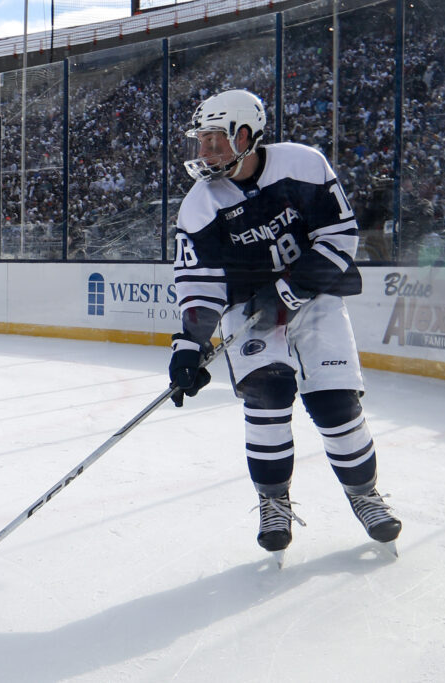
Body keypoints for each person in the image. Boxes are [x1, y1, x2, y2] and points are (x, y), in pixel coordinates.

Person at [169, 89, 401, 561]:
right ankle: (273, 501)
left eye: (217, 138)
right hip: (249, 314)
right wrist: (188, 346)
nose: (206, 149)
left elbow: (340, 237)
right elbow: (199, 285)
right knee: (267, 396)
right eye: (202, 139)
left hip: (315, 301)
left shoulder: (303, 164)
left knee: (335, 404)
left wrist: (289, 291)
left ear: (247, 135)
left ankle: (364, 494)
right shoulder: (199, 205)